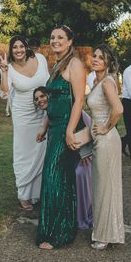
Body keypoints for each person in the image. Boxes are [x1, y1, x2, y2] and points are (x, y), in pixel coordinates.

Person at [35, 25, 85, 250]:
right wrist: (45, 126)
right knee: (58, 177)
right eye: (52, 37)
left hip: (66, 127)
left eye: (60, 37)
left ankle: (57, 233)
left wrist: (69, 130)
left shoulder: (75, 64)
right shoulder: (56, 65)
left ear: (70, 41)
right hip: (54, 128)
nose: (55, 40)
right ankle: (58, 228)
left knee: (55, 176)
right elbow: (52, 100)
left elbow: (79, 101)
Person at [0, 36, 48, 211]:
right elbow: (5, 93)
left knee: (42, 151)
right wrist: (4, 71)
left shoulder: (40, 59)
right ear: (11, 50)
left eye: (21, 46)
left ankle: (39, 193)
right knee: (24, 153)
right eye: (14, 47)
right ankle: (24, 194)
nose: (18, 50)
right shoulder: (10, 68)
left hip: (43, 111)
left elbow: (48, 82)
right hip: (23, 116)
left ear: (26, 47)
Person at [35, 86, 93, 231]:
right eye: (36, 99)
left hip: (83, 155)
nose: (40, 100)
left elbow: (86, 128)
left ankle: (84, 215)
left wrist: (84, 152)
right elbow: (47, 120)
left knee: (79, 174)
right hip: (68, 155)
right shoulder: (50, 115)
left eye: (42, 96)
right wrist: (43, 129)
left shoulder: (69, 109)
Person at [87, 44, 125, 250]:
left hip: (107, 140)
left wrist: (106, 127)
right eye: (94, 56)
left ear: (108, 62)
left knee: (105, 187)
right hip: (99, 140)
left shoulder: (107, 82)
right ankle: (106, 231)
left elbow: (118, 108)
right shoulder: (97, 81)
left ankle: (105, 235)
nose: (95, 59)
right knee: (102, 187)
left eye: (100, 58)